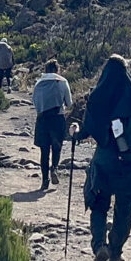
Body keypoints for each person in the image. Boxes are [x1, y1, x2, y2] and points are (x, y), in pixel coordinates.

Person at [73, 54, 131, 261]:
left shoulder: (97, 96)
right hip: (128, 163)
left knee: (99, 206)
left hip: (103, 162)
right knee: (124, 208)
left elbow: (85, 131)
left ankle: (100, 246)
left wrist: (75, 132)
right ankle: (115, 254)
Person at [32, 59, 72, 191]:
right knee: (56, 147)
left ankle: (45, 180)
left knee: (44, 151)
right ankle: (54, 168)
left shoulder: (39, 83)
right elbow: (69, 103)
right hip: (57, 118)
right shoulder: (62, 81)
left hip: (42, 119)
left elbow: (34, 102)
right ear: (57, 69)